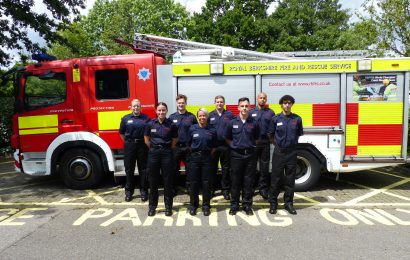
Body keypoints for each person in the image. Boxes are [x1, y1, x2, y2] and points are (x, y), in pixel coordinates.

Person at [268, 95, 303, 215]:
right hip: (279, 153)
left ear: (292, 104)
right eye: (285, 103)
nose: (287, 105)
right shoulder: (275, 119)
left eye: (289, 103)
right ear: (281, 105)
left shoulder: (297, 119)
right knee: (275, 179)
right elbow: (270, 135)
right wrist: (278, 145)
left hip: (292, 153)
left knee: (290, 179)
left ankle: (288, 203)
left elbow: (299, 133)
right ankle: (273, 203)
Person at [225, 97, 259, 216]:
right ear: (238, 107)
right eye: (242, 106)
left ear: (249, 107)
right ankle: (234, 205)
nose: (244, 108)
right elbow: (227, 138)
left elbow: (257, 138)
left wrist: (249, 146)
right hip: (236, 155)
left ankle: (247, 205)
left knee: (248, 182)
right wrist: (234, 146)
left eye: (246, 106)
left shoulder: (254, 123)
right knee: (235, 181)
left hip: (250, 155)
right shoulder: (232, 122)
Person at [144, 102, 177, 217]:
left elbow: (174, 140)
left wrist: (166, 149)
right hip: (153, 153)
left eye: (163, 110)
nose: (161, 112)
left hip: (167, 153)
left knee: (167, 181)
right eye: (159, 110)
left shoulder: (171, 124)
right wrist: (154, 148)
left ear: (166, 111)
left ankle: (168, 207)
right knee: (153, 181)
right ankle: (152, 206)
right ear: (156, 111)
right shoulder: (150, 124)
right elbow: (146, 140)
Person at [119, 99, 150, 202]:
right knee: (129, 169)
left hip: (142, 145)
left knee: (143, 169)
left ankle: (144, 191)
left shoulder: (146, 118)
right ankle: (129, 192)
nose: (136, 108)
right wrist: (129, 142)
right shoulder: (125, 118)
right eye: (134, 106)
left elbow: (149, 133)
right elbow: (121, 133)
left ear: (141, 107)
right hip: (130, 146)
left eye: (138, 106)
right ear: (131, 107)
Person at [187, 108, 217, 216]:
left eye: (204, 115)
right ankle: (193, 205)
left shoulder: (212, 130)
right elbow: (189, 144)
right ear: (197, 117)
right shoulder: (192, 129)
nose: (202, 117)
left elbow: (214, 146)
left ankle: (206, 206)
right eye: (200, 116)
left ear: (207, 117)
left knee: (206, 183)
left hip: (207, 159)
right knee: (194, 183)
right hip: (194, 159)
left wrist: (207, 154)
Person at [169, 94, 198, 194]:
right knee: (174, 169)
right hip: (176, 148)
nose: (181, 104)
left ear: (186, 103)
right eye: (179, 103)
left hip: (188, 147)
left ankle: (190, 188)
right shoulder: (172, 117)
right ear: (177, 104)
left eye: (183, 103)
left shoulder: (191, 117)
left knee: (190, 170)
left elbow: (196, 131)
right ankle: (173, 188)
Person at [249, 92, 275, 200]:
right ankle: (250, 188)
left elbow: (273, 127)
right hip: (253, 143)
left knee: (264, 168)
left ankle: (263, 188)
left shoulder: (270, 112)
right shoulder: (251, 112)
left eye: (264, 98)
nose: (262, 100)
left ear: (266, 99)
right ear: (257, 99)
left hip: (265, 143)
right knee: (251, 167)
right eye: (261, 98)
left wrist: (271, 139)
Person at [208, 95, 234, 200]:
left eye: (221, 102)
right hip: (214, 146)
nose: (219, 103)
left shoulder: (229, 114)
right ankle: (211, 189)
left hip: (226, 146)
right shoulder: (210, 115)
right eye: (217, 102)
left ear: (224, 103)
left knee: (226, 169)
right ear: (214, 103)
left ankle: (225, 190)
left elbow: (233, 129)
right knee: (212, 169)